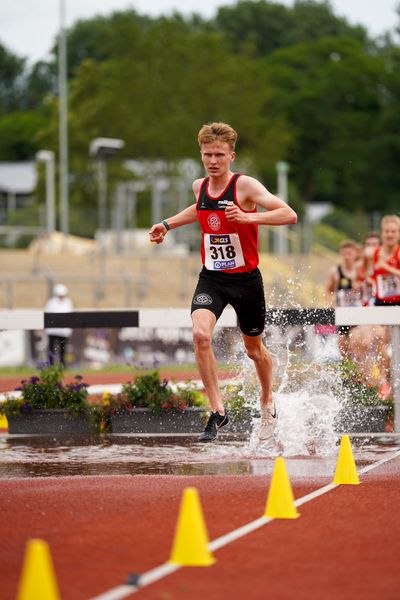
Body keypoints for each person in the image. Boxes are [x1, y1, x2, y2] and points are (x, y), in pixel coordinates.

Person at [149, 122, 297, 442]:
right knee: (201, 335)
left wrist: (249, 217)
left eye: (219, 154)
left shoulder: (245, 187)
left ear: (232, 155)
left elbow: (288, 214)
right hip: (212, 278)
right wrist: (166, 224)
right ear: (201, 156)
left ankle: (267, 399)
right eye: (207, 155)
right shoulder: (199, 186)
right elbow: (200, 209)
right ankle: (218, 411)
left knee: (254, 351)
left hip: (246, 281)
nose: (213, 160)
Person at [324, 239, 362, 360]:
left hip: (359, 313)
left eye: (349, 254)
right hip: (343, 314)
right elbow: (327, 291)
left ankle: (359, 373)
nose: (346, 257)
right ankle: (346, 374)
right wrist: (332, 304)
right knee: (343, 345)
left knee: (356, 343)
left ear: (355, 254)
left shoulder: (360, 271)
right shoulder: (335, 272)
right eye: (344, 253)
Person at [44, 283, 73, 367]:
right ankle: (51, 365)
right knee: (52, 348)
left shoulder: (68, 302)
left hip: (63, 331)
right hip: (53, 330)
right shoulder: (51, 302)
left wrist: (69, 329)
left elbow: (70, 316)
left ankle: (62, 365)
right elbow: (47, 315)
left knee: (63, 349)